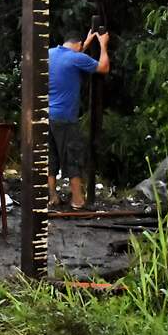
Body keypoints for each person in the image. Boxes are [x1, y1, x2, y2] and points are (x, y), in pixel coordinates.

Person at [48, 29, 110, 209]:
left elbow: (72, 59)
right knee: (72, 157)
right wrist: (103, 45)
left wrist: (87, 42)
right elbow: (103, 67)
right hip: (65, 118)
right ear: (78, 46)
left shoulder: (51, 54)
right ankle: (77, 199)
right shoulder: (76, 59)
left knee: (51, 157)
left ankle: (52, 196)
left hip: (47, 116)